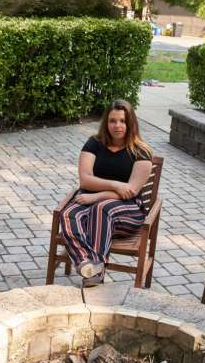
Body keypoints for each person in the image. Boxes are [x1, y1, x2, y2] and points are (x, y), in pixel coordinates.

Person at [59, 99, 153, 287]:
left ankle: (96, 270)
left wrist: (97, 195)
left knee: (101, 209)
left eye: (122, 121)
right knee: (69, 213)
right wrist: (116, 185)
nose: (117, 125)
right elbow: (85, 179)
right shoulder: (94, 143)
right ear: (106, 123)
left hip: (126, 210)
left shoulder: (141, 151)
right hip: (90, 199)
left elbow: (130, 192)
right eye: (112, 121)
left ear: (130, 123)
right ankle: (87, 263)